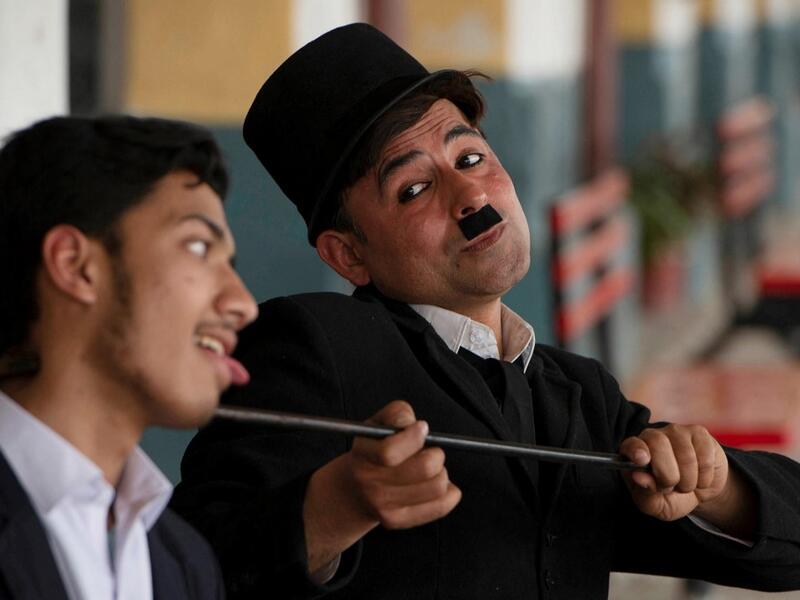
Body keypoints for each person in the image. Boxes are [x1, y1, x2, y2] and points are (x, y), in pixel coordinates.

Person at [172, 23, 800, 599]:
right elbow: (187, 563)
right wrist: (332, 508)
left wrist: (717, 488)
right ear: (348, 255)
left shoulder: (578, 395)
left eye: (470, 158)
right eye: (414, 189)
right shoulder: (316, 346)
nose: (470, 195)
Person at [0, 115, 258, 599]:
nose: (242, 303)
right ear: (76, 266)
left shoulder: (185, 564)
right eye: (198, 246)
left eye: (231, 264)